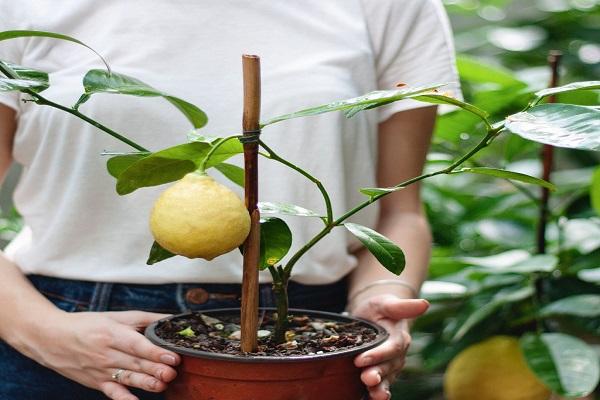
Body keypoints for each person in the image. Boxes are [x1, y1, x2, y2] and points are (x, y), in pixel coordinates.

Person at [0, 1, 459, 399]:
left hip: (305, 335)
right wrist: (39, 331)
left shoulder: (393, 6)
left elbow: (400, 211)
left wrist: (381, 297)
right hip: (62, 335)